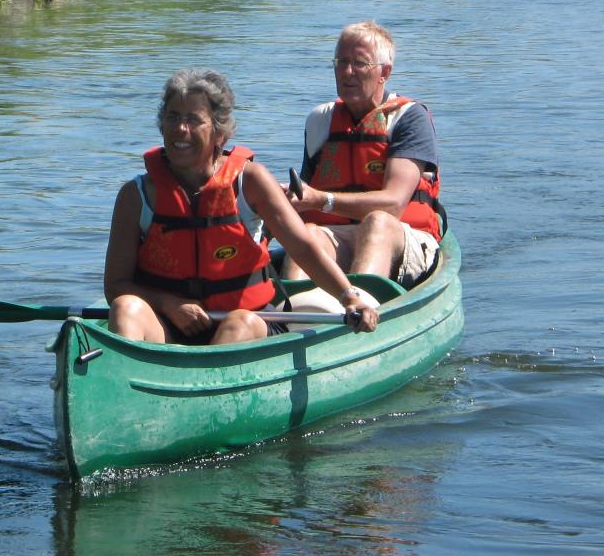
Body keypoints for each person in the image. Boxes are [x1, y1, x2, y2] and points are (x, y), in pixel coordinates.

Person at [104, 68, 379, 345]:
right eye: (172, 117)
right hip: (170, 324)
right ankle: (131, 370)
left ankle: (212, 372)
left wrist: (349, 297)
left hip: (249, 322)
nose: (180, 128)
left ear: (219, 133)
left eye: (193, 119)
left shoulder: (251, 182)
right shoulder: (136, 195)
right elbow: (116, 285)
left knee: (240, 323)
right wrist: (168, 304)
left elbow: (303, 249)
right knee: (126, 307)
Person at [282, 21, 445, 289]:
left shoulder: (409, 118)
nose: (347, 72)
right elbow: (306, 196)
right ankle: (296, 307)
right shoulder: (320, 120)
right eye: (341, 62)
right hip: (339, 235)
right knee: (308, 233)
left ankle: (361, 305)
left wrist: (322, 200)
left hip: (404, 238)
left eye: (359, 63)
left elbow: (393, 204)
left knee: (377, 221)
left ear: (384, 72)